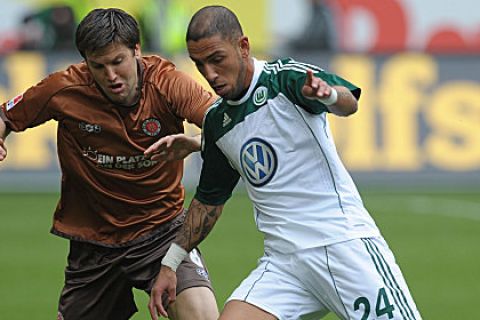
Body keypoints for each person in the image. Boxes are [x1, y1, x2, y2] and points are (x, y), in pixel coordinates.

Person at [148, 5, 422, 320]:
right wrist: (170, 264)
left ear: (243, 47)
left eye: (217, 59)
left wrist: (328, 95)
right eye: (200, 64)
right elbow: (208, 203)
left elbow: (349, 103)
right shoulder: (216, 123)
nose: (209, 74)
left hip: (343, 247)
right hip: (284, 264)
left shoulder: (285, 79)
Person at [0, 8, 219, 320]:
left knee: (203, 316)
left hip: (161, 231)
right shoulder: (64, 88)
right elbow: (5, 115)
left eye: (118, 62)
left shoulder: (169, 84)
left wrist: (196, 142)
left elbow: (227, 125)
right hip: (94, 244)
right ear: (86, 63)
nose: (111, 75)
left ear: (136, 51)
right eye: (98, 66)